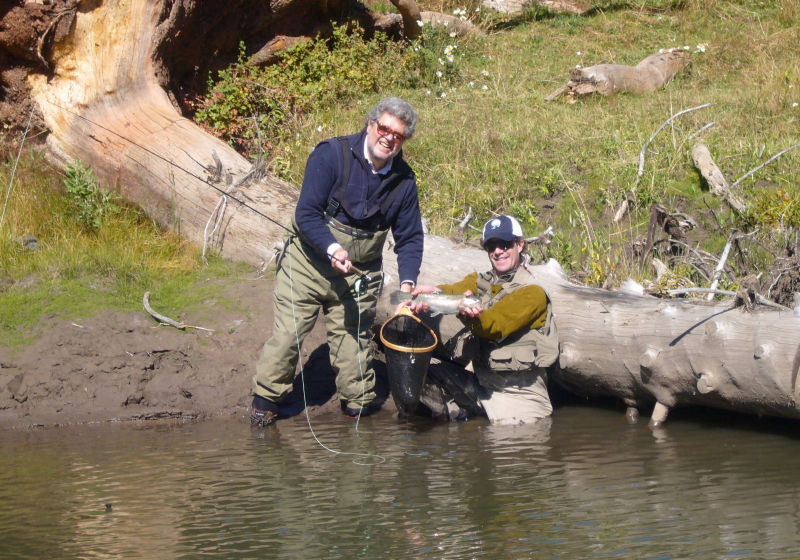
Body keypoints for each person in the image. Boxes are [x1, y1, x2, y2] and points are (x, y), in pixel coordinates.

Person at [249, 97, 424, 426]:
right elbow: (306, 213)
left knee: (354, 346)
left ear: (403, 141)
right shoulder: (330, 154)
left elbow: (411, 238)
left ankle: (358, 410)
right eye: (384, 128)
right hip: (307, 264)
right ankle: (264, 401)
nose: (388, 137)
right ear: (370, 125)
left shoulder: (404, 182)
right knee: (289, 336)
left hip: (359, 275)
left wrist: (407, 286)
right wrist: (332, 248)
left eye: (397, 135)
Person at [407, 215, 558, 424]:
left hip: (519, 399)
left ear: (520, 245)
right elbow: (453, 290)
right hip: (481, 387)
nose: (498, 251)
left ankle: (464, 420)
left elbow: (493, 325)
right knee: (419, 372)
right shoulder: (480, 281)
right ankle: (453, 421)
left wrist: (463, 311)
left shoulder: (533, 294)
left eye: (505, 244)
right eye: (491, 246)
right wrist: (434, 293)